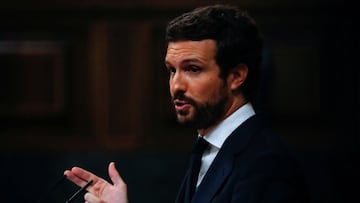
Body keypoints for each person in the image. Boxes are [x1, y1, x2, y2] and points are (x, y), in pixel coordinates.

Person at [64, 4, 308, 203]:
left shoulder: (266, 163)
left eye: (193, 69)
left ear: (236, 76)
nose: (176, 86)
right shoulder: (208, 146)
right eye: (172, 70)